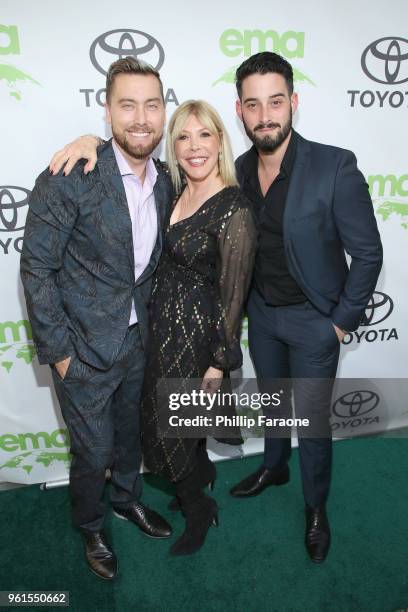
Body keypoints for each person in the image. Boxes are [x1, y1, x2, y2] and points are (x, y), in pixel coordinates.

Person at [49, 100, 257, 556]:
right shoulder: (170, 185)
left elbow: (233, 297)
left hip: (195, 342)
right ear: (172, 146)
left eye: (205, 135)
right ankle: (182, 490)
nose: (194, 146)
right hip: (154, 333)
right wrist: (93, 142)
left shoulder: (234, 208)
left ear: (221, 140)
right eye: (183, 136)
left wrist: (219, 365)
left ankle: (198, 510)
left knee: (175, 431)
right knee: (160, 428)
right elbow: (125, 153)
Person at [20, 57, 173, 581]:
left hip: (136, 340)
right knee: (93, 452)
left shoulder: (167, 180)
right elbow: (36, 268)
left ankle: (127, 499)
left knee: (129, 437)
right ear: (107, 110)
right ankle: (90, 524)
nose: (140, 117)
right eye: (127, 104)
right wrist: (61, 355)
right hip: (81, 350)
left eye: (151, 105)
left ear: (163, 112)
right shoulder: (69, 176)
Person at [229, 52, 383, 562]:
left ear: (293, 102)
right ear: (240, 111)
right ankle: (274, 465)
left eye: (275, 101)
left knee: (313, 425)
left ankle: (316, 508)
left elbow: (368, 253)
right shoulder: (239, 169)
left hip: (316, 322)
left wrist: (340, 324)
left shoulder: (334, 165)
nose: (265, 114)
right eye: (254, 105)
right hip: (263, 317)